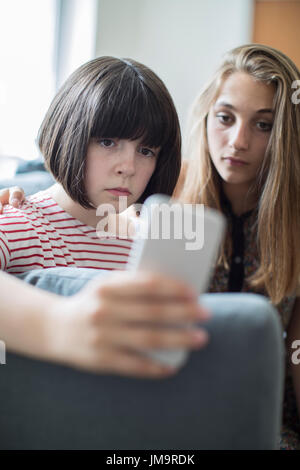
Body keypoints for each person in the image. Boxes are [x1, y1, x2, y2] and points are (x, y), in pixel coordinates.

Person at [0, 56, 211, 378]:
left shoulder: (151, 244)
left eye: (146, 151)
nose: (129, 167)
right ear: (68, 135)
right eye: (108, 142)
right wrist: (58, 323)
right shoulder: (18, 221)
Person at [173, 43, 300, 450]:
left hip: (265, 413)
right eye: (225, 118)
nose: (238, 141)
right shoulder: (167, 190)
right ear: (208, 115)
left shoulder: (294, 223)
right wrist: (23, 201)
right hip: (177, 403)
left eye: (262, 125)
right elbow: (83, 200)